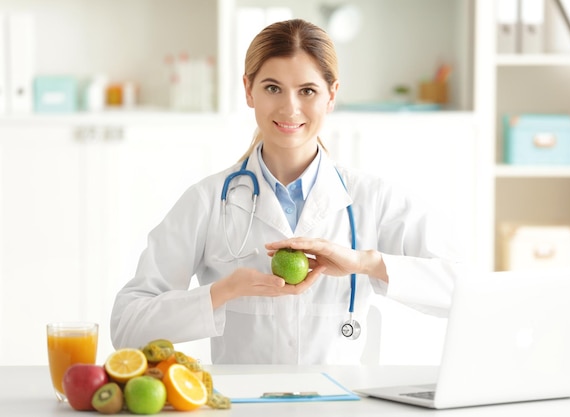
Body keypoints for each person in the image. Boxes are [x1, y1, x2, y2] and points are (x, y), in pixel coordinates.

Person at [111, 18, 460, 364]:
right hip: (246, 407)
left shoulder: (373, 198)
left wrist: (364, 263)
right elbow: (127, 325)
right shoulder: (207, 200)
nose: (289, 108)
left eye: (307, 91)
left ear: (332, 95)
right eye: (272, 88)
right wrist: (222, 292)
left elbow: (461, 292)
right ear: (248, 90)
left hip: (337, 404)